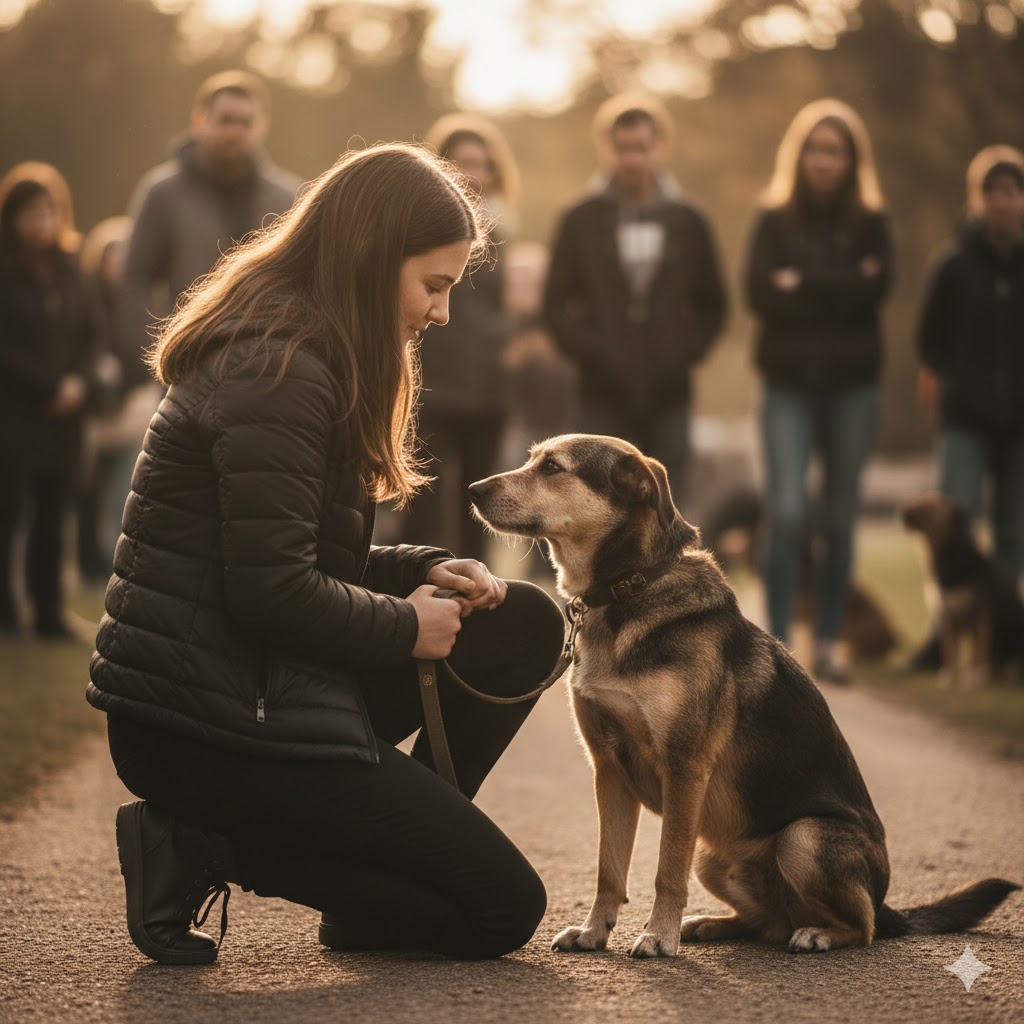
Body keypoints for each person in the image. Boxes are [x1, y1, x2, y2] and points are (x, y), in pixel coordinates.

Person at [87, 144, 566, 965]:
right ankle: (200, 842)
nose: (442, 314)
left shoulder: (318, 355)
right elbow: (270, 589)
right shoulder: (278, 369)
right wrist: (401, 629)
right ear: (371, 260)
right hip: (201, 724)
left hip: (260, 680)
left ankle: (376, 881)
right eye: (434, 286)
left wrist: (419, 572)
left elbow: (302, 561)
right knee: (499, 909)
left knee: (521, 621)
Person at [745, 98, 893, 684]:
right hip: (786, 387)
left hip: (854, 390)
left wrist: (801, 281)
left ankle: (829, 641)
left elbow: (877, 293)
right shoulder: (772, 220)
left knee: (838, 520)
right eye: (814, 149)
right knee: (784, 514)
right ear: (798, 155)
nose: (823, 160)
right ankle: (776, 644)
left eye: (834, 151)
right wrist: (841, 282)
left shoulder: (873, 224)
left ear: (851, 160)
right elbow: (760, 294)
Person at [543, 92, 727, 506]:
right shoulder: (580, 219)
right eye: (623, 149)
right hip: (600, 388)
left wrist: (681, 353)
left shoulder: (689, 220)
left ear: (660, 146)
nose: (632, 160)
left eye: (641, 148)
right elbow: (555, 303)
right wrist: (592, 351)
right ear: (607, 148)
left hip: (670, 389)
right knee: (595, 497)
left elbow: (714, 305)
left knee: (667, 499)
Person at [121, 70, 300, 377]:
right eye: (226, 120)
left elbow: (304, 282)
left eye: (244, 123)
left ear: (262, 128)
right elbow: (134, 278)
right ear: (200, 121)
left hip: (268, 368)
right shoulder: (162, 193)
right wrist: (157, 351)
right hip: (186, 366)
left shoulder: (288, 198)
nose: (234, 131)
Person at [401, 114, 518, 561]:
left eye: (483, 164)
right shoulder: (417, 230)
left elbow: (501, 309)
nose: (474, 173)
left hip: (488, 388)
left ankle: (475, 601)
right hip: (429, 382)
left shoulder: (501, 233)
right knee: (424, 505)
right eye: (463, 161)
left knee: (482, 505)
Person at [917, 149, 1024, 586]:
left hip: (1020, 420)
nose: (1000, 201)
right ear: (975, 199)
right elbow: (928, 338)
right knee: (955, 529)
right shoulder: (952, 265)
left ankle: (1005, 632)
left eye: (1010, 190)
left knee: (1014, 531)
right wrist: (958, 381)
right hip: (964, 417)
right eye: (990, 191)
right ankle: (950, 632)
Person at [0, 165, 96, 640]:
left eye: (47, 212)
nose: (40, 221)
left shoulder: (71, 268)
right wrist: (49, 386)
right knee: (7, 513)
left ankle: (49, 612)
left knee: (54, 514)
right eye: (30, 213)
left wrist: (79, 381)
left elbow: (89, 332)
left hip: (65, 418)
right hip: (16, 414)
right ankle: (5, 614)